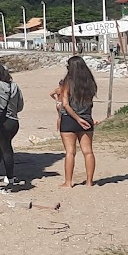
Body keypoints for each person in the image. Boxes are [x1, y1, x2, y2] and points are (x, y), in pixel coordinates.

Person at [51, 55, 98, 188]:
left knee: (70, 152)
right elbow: (90, 102)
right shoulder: (90, 82)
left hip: (69, 119)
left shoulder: (68, 82)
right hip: (87, 118)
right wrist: (84, 118)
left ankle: (68, 182)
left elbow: (65, 104)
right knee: (88, 151)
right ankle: (89, 181)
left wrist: (77, 118)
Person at [0, 64, 25, 187]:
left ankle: (10, 177)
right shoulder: (14, 86)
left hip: (2, 122)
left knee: (5, 149)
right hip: (14, 122)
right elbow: (20, 106)